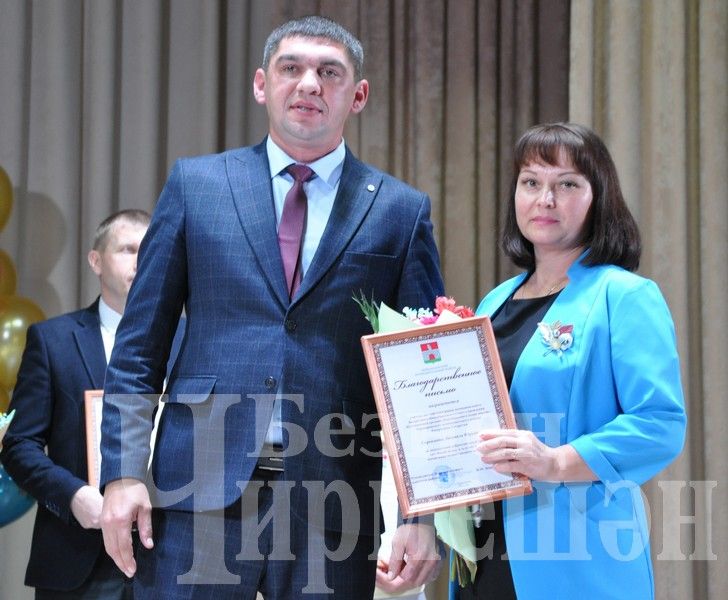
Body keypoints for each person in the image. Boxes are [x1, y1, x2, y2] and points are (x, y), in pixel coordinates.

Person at [99, 15, 444, 600]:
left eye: (329, 72)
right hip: (197, 496)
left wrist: (420, 513)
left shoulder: (398, 211)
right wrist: (124, 470)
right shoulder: (197, 185)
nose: (309, 84)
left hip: (332, 504)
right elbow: (138, 349)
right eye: (292, 68)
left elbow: (420, 375)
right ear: (263, 85)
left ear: (356, 95)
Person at [456, 123, 687, 599]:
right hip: (485, 548)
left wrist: (556, 461)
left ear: (597, 198)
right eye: (531, 182)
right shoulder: (494, 301)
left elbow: (660, 424)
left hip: (579, 550)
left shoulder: (624, 296)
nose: (546, 198)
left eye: (567, 184)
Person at [0, 210, 151, 599]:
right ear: (96, 261)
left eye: (150, 250)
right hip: (78, 561)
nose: (141, 260)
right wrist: (74, 496)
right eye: (128, 249)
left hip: (170, 559)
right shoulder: (53, 341)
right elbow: (19, 445)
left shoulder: (188, 339)